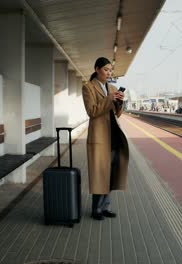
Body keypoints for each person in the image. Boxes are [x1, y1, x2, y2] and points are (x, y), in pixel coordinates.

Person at [82, 57, 130, 221]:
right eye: (106, 70)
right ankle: (96, 209)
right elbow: (92, 111)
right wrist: (110, 99)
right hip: (99, 136)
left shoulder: (113, 87)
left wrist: (119, 102)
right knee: (99, 173)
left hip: (113, 135)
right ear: (97, 69)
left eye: (110, 70)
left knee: (111, 173)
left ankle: (106, 207)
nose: (109, 73)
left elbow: (117, 113)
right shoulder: (88, 87)